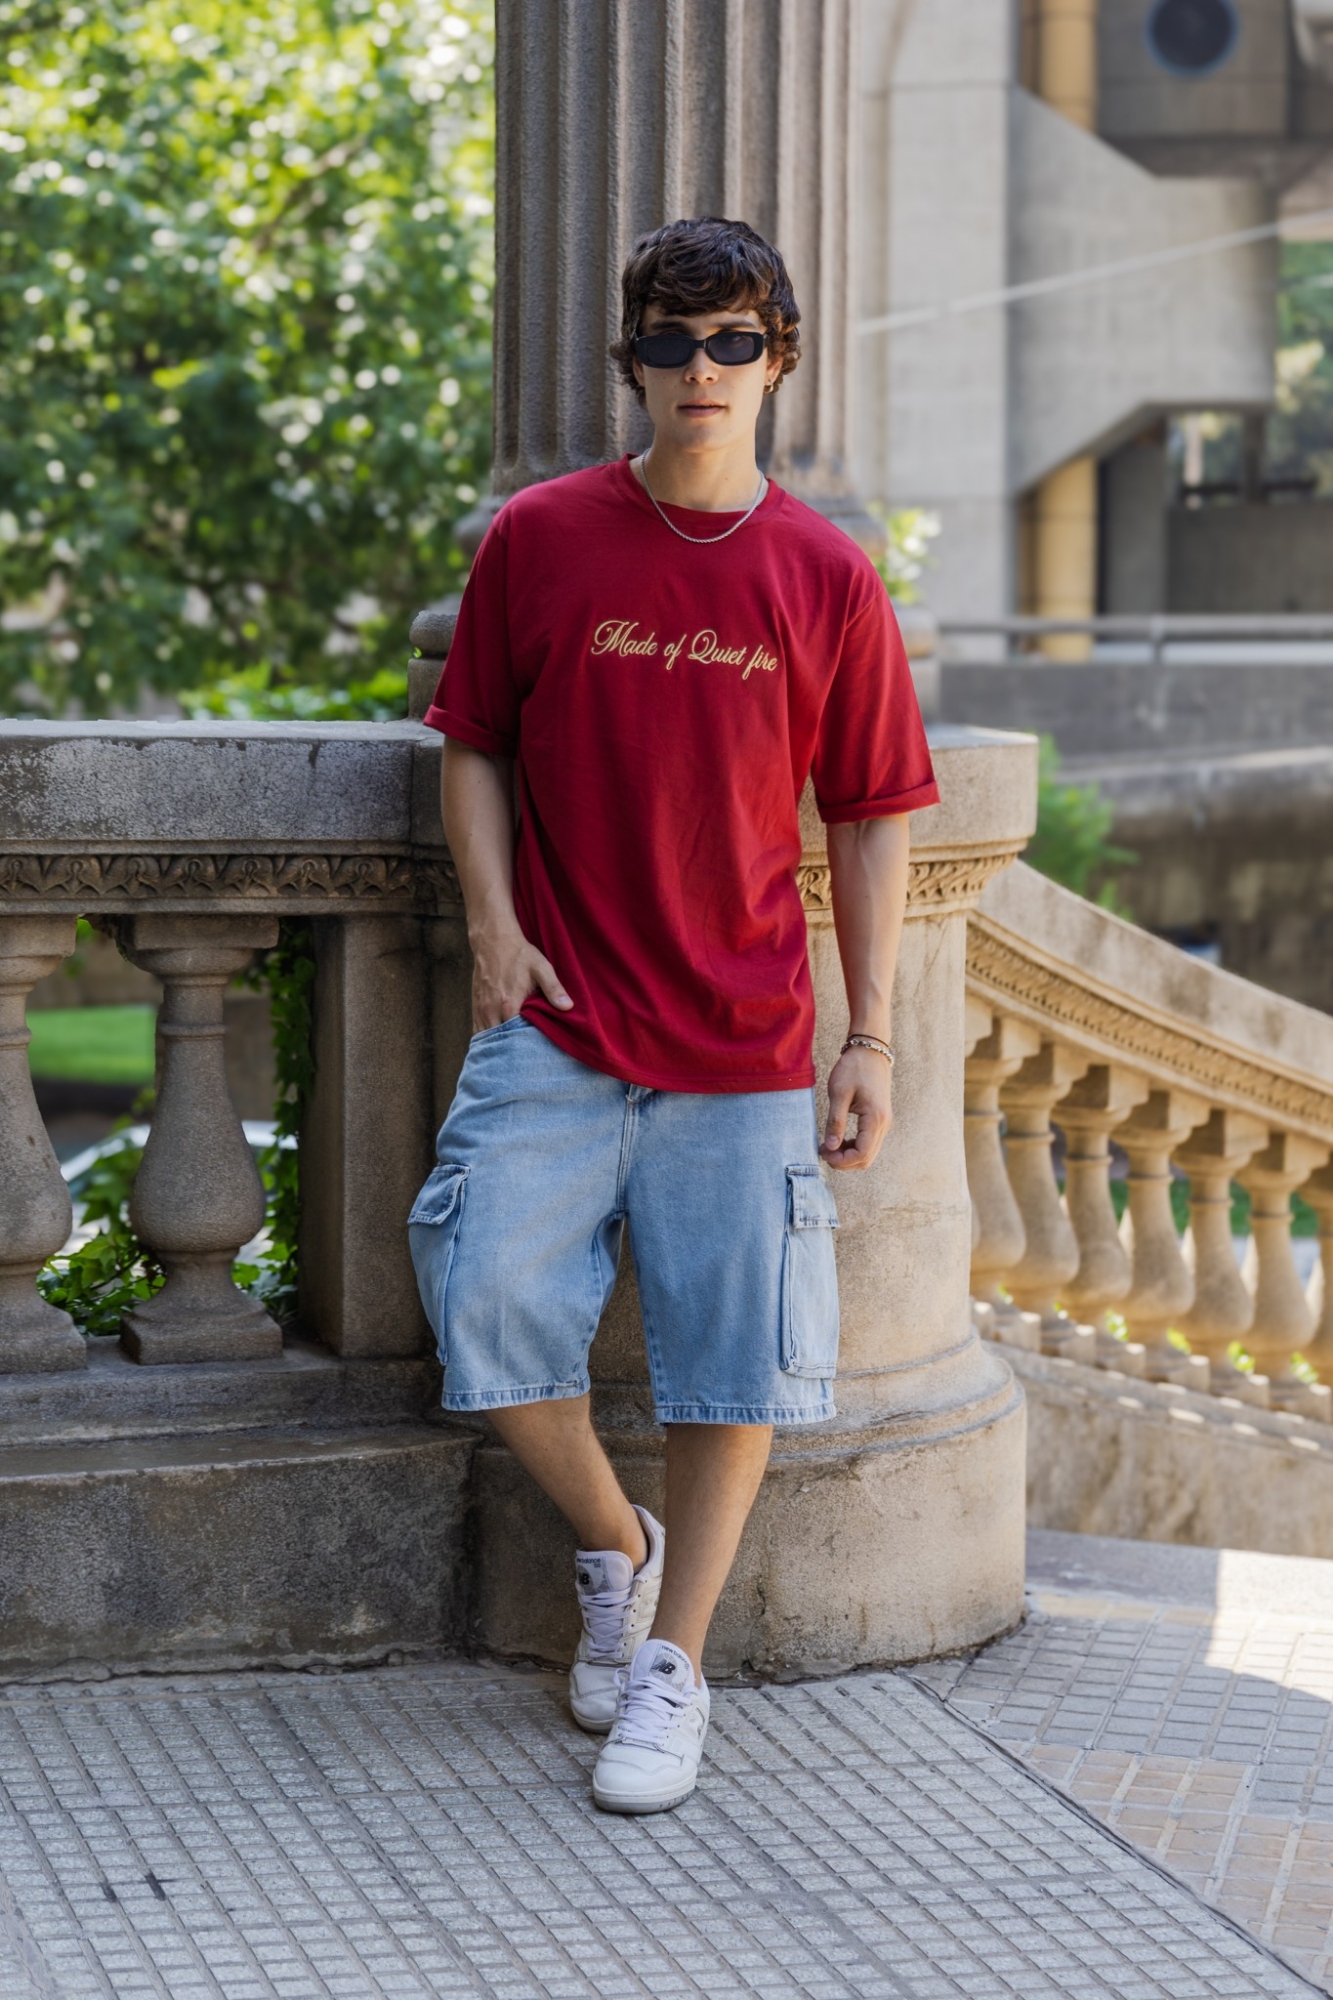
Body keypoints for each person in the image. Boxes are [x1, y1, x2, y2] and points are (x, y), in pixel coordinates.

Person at [411, 215, 938, 1816]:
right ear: (630, 359)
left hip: (744, 1044)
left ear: (776, 359)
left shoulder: (825, 576)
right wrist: (494, 931)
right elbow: (474, 741)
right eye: (667, 339)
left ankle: (673, 1664)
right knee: (479, 1298)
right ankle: (612, 1542)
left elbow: (870, 813)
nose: (697, 369)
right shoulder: (541, 538)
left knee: (733, 1368)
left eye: (729, 341)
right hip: (559, 1020)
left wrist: (867, 1036)